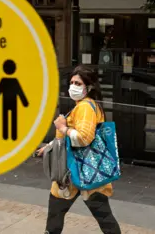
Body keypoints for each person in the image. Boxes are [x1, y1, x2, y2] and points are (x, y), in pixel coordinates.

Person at [37, 65, 121, 234]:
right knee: (102, 216)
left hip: (76, 170)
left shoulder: (84, 107)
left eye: (78, 83)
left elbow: (83, 138)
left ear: (88, 87)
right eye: (72, 82)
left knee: (57, 209)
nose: (73, 86)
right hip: (85, 171)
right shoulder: (86, 105)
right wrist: (50, 146)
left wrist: (62, 127)